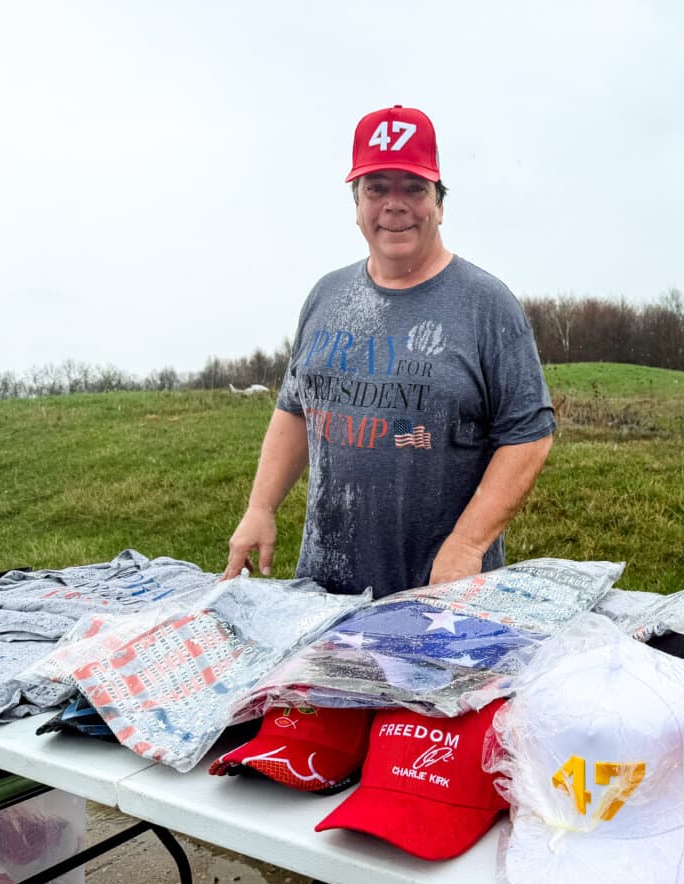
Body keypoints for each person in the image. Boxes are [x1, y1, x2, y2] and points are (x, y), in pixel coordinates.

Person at [223, 105, 555, 599]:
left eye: (413, 188)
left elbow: (529, 436)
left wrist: (467, 544)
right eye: (377, 188)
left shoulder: (486, 305)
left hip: (441, 596)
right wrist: (261, 508)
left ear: (439, 204)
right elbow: (297, 411)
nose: (394, 205)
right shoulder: (325, 296)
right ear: (356, 203)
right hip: (322, 597)